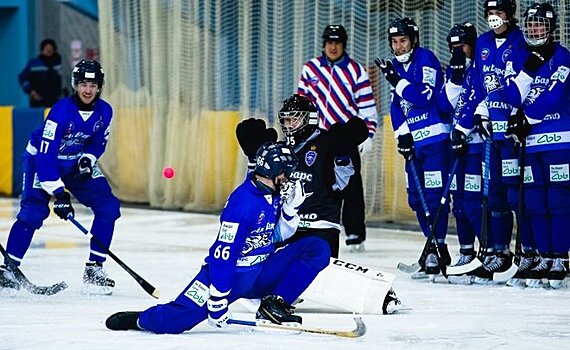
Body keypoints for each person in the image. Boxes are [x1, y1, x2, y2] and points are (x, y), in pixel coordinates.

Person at [105, 142, 332, 333]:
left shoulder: (272, 193)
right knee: (175, 322)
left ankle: (275, 303)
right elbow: (224, 254)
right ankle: (140, 319)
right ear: (274, 172)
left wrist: (290, 211)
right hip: (231, 277)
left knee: (316, 247)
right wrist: (218, 299)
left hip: (262, 270)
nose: (289, 177)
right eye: (287, 172)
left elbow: (277, 236)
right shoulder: (243, 205)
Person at [236, 95, 406, 315]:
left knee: (315, 268)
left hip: (320, 228)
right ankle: (266, 291)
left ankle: (378, 293)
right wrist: (255, 157)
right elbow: (258, 190)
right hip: (287, 228)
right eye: (285, 121)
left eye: (294, 120)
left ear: (310, 119)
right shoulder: (280, 149)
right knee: (259, 255)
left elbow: (345, 185)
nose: (288, 126)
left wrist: (344, 153)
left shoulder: (330, 143)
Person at [0, 60, 119, 295]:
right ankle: (8, 271)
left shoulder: (105, 111)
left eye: (93, 85)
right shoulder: (61, 112)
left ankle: (95, 269)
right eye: (84, 84)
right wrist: (59, 193)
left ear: (99, 87)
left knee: (109, 208)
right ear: (76, 85)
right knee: (33, 213)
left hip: (74, 163)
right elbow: (45, 156)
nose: (88, 90)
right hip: (44, 162)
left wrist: (88, 159)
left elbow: (98, 143)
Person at [375, 17, 451, 278]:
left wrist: (397, 80)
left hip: (435, 141)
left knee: (433, 196)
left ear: (414, 40)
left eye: (403, 41)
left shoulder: (426, 59)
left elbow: (423, 97)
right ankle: (432, 247)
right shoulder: (396, 66)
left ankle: (438, 248)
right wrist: (402, 134)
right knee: (416, 200)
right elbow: (397, 106)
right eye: (394, 42)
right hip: (414, 144)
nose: (398, 47)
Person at [460, 0, 528, 284]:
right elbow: (478, 82)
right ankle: (498, 253)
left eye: (498, 12)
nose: (493, 18)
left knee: (518, 196)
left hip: (514, 132)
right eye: (489, 13)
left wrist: (520, 117)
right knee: (495, 195)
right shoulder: (484, 43)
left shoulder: (521, 40)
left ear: (509, 14)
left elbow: (528, 81)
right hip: (492, 132)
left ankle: (527, 253)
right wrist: (478, 113)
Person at [502, 2, 570, 289]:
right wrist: (528, 71)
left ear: (551, 27)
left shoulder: (562, 56)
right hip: (531, 143)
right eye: (530, 25)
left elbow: (554, 97)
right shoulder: (519, 56)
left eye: (540, 24)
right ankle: (543, 255)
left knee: (558, 201)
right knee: (534, 203)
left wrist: (527, 118)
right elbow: (511, 95)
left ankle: (561, 257)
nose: (534, 29)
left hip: (558, 141)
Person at [297, 24, 378, 252]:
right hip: (317, 138)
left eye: (338, 42)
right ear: (324, 44)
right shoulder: (310, 69)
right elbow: (301, 103)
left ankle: (354, 233)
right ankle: (310, 225)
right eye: (330, 42)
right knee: (316, 182)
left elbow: (367, 107)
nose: (333, 47)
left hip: (345, 138)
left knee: (351, 185)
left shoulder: (356, 70)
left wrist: (368, 134)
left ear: (344, 44)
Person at [437, 22, 483, 273]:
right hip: (456, 147)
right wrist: (454, 78)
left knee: (476, 202)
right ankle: (466, 251)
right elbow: (444, 105)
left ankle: (489, 250)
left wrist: (465, 130)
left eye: (462, 47)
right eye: (453, 48)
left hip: (476, 146)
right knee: (459, 203)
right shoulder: (453, 71)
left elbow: (478, 101)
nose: (458, 52)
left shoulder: (480, 68)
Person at [18, 39, 63, 108]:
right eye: (46, 48)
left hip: (55, 101)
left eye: (51, 49)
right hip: (38, 100)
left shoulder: (57, 64)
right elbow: (22, 77)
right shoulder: (34, 64)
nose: (48, 50)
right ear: (42, 50)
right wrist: (30, 91)